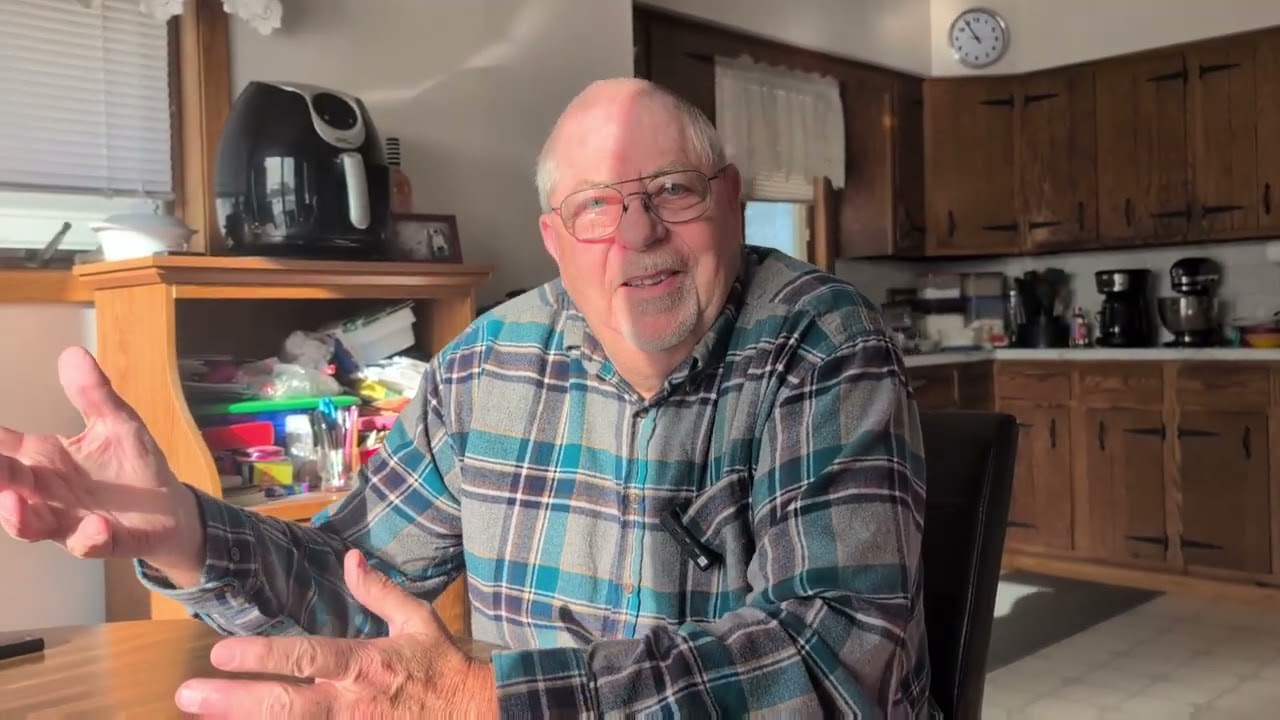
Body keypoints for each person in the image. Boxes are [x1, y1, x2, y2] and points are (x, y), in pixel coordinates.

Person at [0, 77, 937, 718]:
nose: (638, 231)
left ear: (728, 200)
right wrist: (178, 530)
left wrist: (481, 701)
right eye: (595, 207)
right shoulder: (484, 365)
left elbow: (832, 665)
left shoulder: (823, 346)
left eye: (672, 191)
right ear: (555, 239)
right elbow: (353, 586)